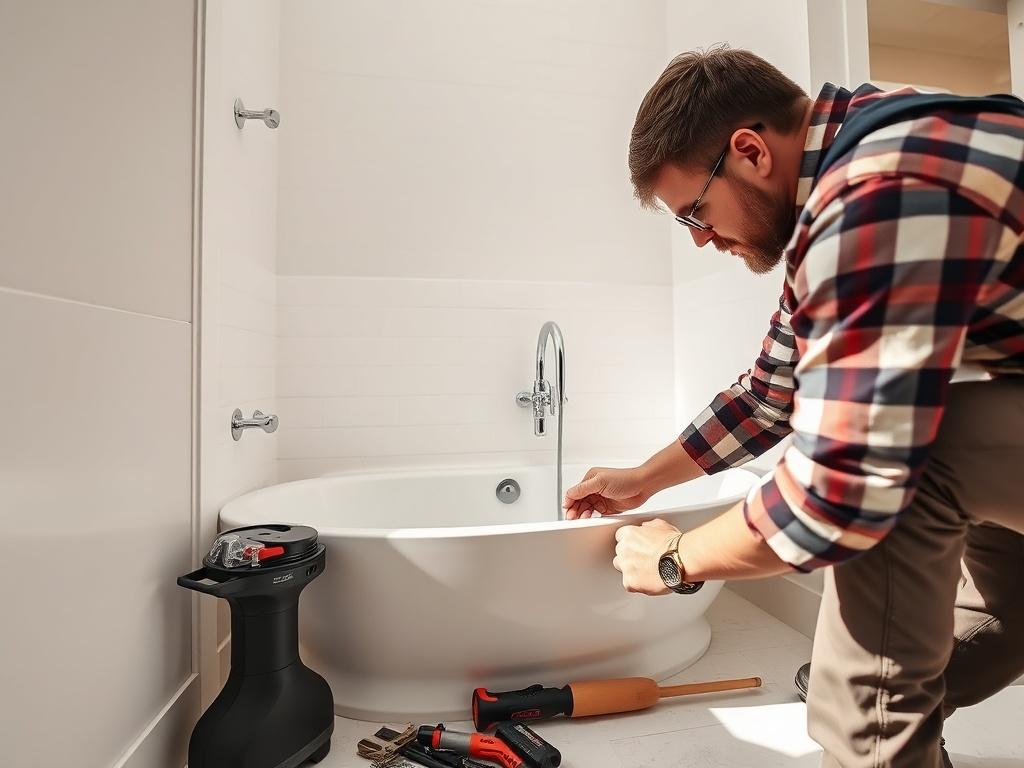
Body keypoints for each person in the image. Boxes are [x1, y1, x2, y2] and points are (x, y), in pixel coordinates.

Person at [562, 46, 1024, 768]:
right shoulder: (858, 162)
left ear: (749, 150)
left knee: (904, 452)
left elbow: (839, 494)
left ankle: (864, 730)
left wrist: (679, 560)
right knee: (992, 586)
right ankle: (877, 708)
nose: (703, 239)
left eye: (695, 213)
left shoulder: (878, 189)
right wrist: (642, 480)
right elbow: (769, 395)